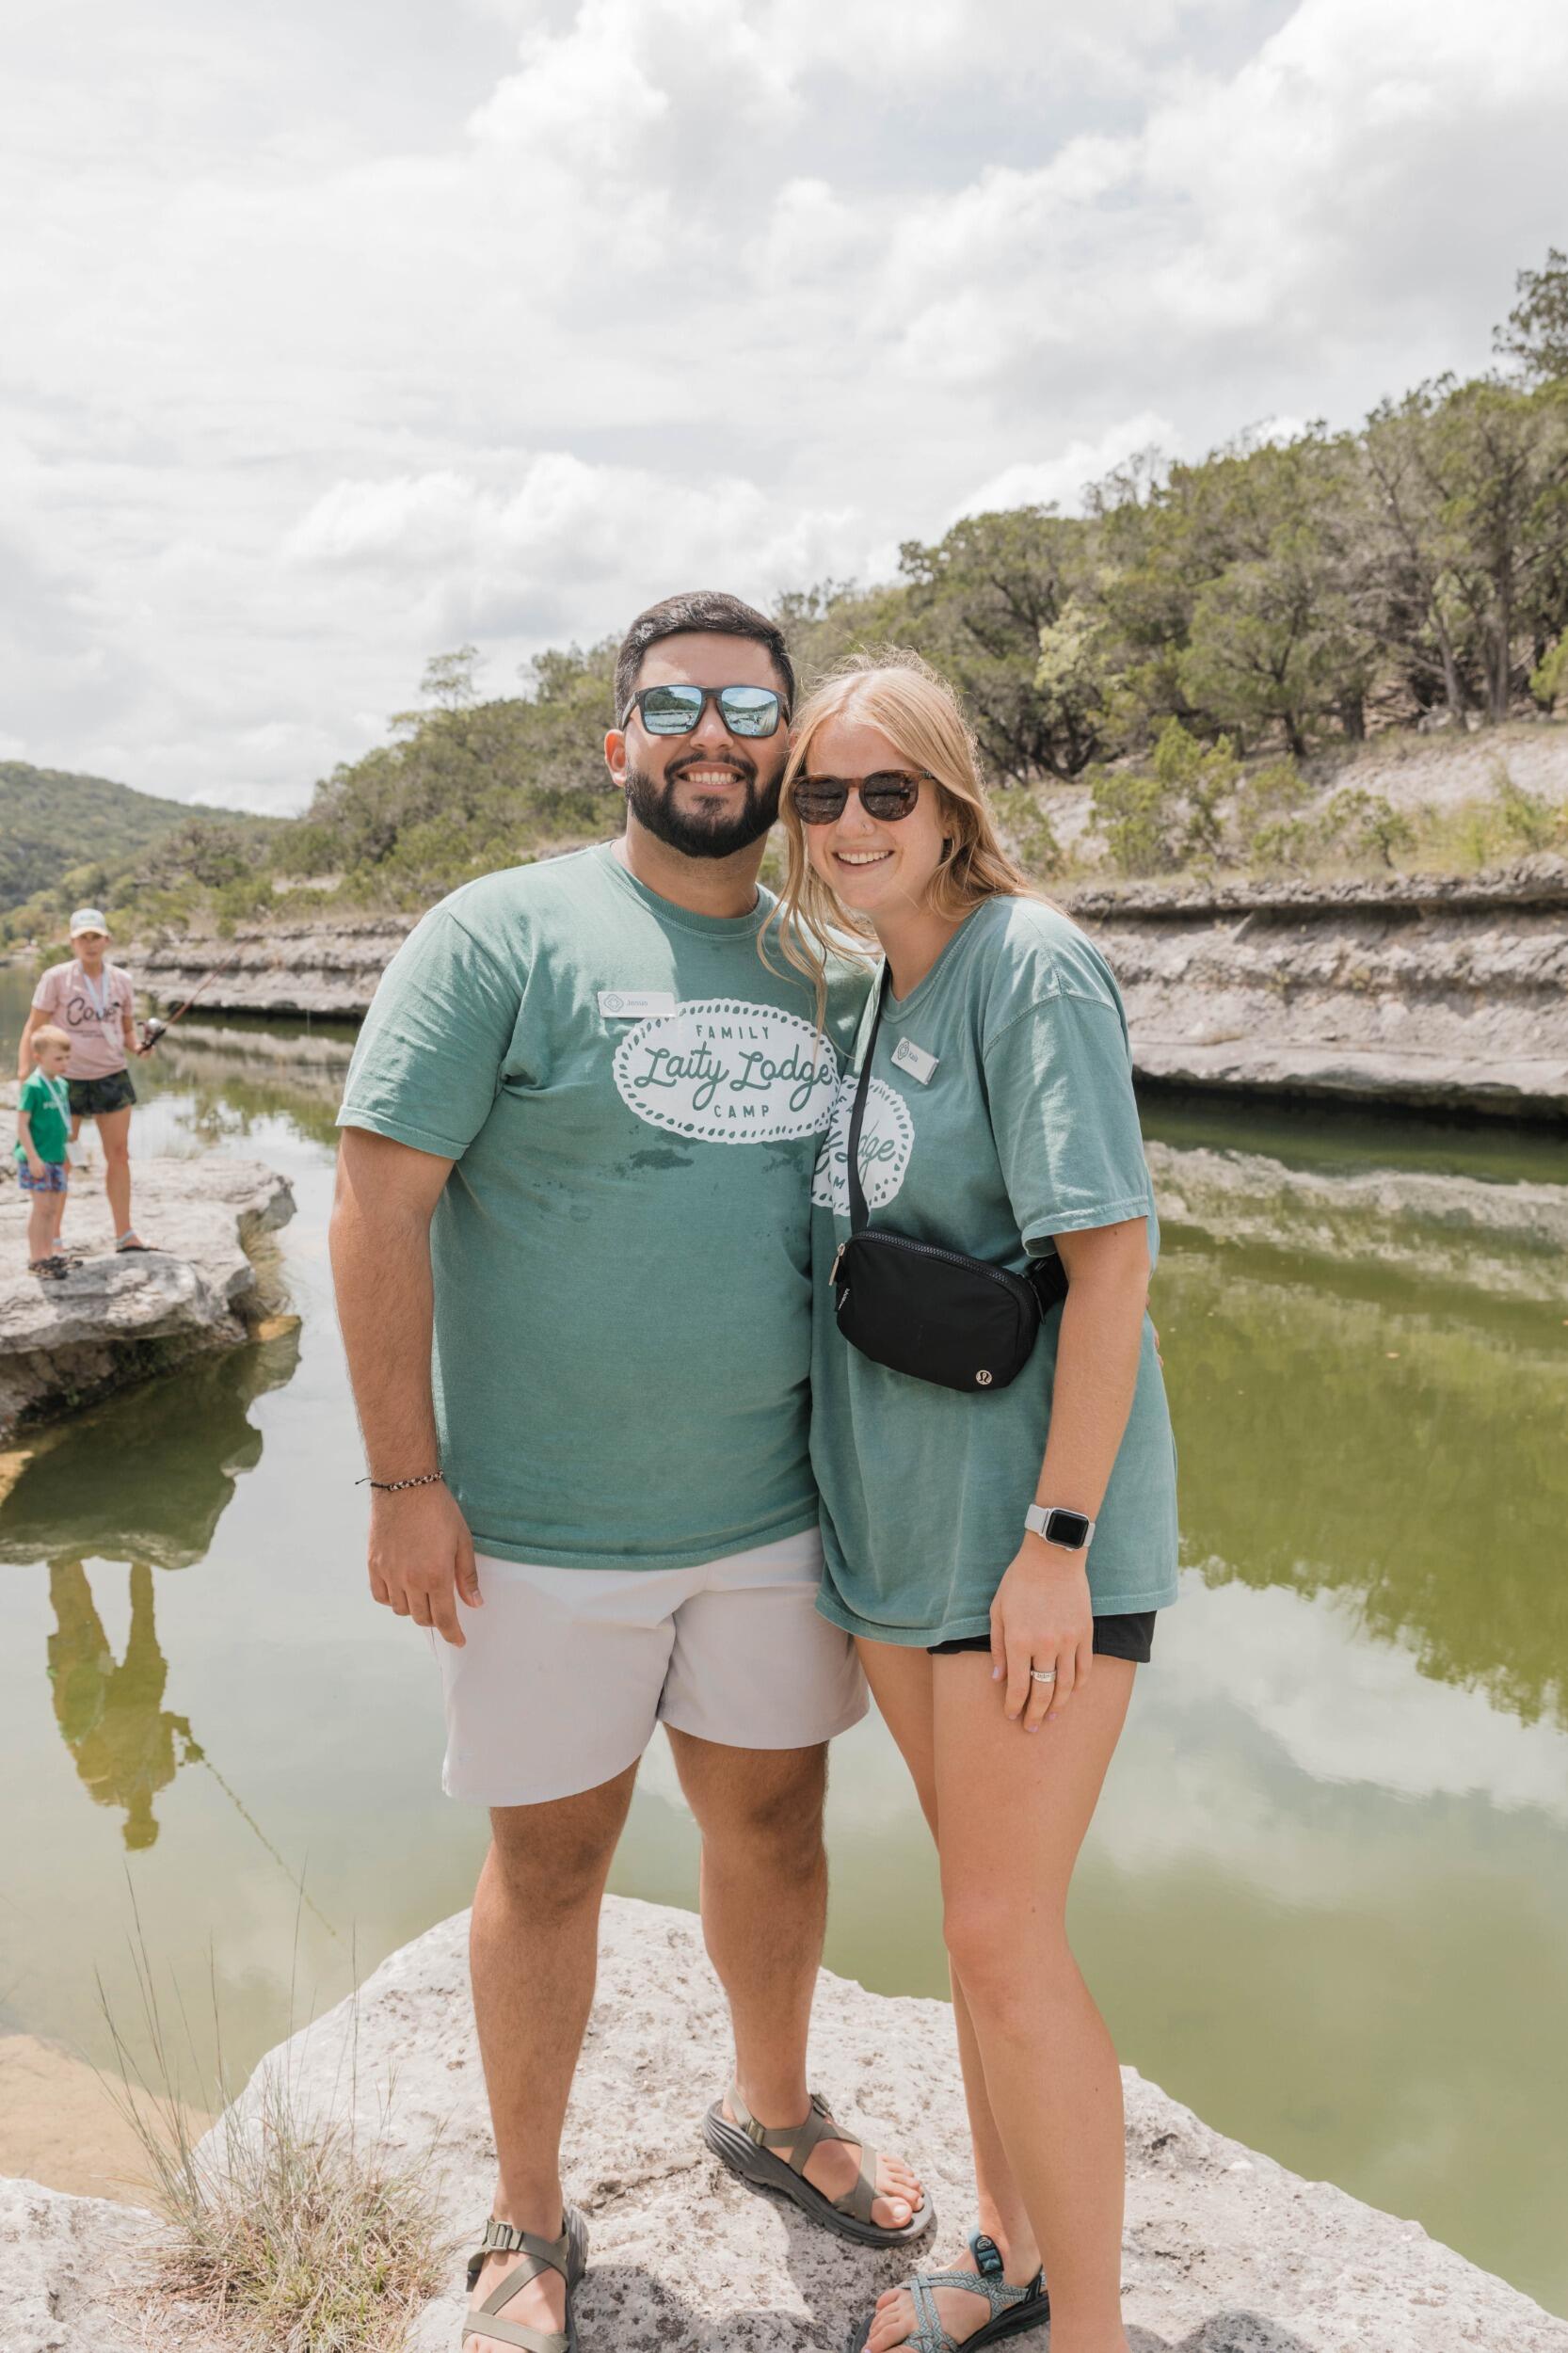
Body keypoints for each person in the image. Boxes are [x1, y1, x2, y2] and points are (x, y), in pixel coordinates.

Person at [329, 593, 928, 2353]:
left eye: (748, 707)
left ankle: (772, 2110)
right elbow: (376, 1208)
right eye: (674, 706)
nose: (711, 736)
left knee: (776, 1824)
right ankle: (526, 2211)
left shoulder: (836, 964)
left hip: (774, 1520)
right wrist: (401, 1483)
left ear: (790, 749)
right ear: (619, 744)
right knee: (550, 1867)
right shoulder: (498, 935)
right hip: (538, 1535)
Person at [766, 650, 1179, 2353]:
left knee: (1004, 1933)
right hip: (901, 1539)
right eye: (822, 795)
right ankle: (1003, 2253)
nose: (852, 823)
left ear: (951, 806)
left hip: (1024, 1540)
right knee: (973, 1920)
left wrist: (1056, 1547)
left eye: (890, 792)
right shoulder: (874, 987)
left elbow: (1113, 1265)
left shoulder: (1027, 965)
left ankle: (1089, 2330)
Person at [17, 908, 152, 1253]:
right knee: (60, 1158)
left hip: (111, 1075)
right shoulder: (56, 978)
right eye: (83, 938)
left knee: (119, 1155)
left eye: (96, 937)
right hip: (67, 1079)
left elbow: (126, 1030)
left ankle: (125, 1234)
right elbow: (34, 1027)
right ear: (73, 943)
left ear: (107, 940)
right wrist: (24, 1073)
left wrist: (138, 1046)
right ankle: (54, 1239)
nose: (90, 944)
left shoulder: (122, 980)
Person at [14, 1023, 73, 1275]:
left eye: (67, 1057)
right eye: (58, 1059)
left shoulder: (62, 1085)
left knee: (52, 1209)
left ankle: (48, 1254)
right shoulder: (33, 1086)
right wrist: (32, 1157)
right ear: (38, 1058)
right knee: (41, 1209)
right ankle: (36, 1258)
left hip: (56, 1156)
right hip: (37, 1159)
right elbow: (22, 1124)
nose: (64, 1063)